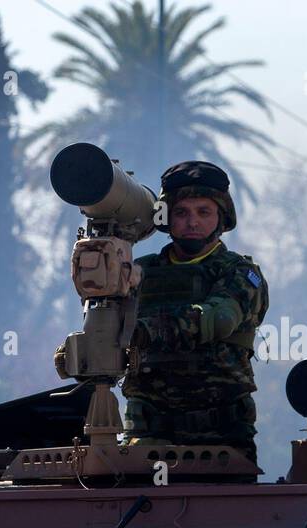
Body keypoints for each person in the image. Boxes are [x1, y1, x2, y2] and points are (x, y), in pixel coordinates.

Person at [59, 160, 269, 462]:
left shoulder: (239, 273)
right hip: (147, 430)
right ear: (166, 218)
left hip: (221, 435)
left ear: (222, 217)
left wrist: (147, 331)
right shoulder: (137, 271)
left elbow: (218, 318)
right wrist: (82, 352)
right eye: (181, 212)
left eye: (204, 212)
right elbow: (106, 328)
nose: (192, 222)